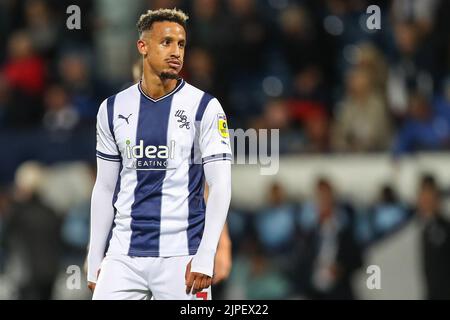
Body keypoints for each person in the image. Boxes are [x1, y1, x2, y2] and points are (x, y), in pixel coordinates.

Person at [87, 8, 232, 300]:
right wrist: (95, 255)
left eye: (181, 44)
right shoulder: (112, 109)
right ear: (143, 46)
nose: (176, 51)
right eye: (166, 42)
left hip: (182, 255)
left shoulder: (205, 108)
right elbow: (104, 188)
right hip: (123, 254)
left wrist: (206, 254)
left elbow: (219, 185)